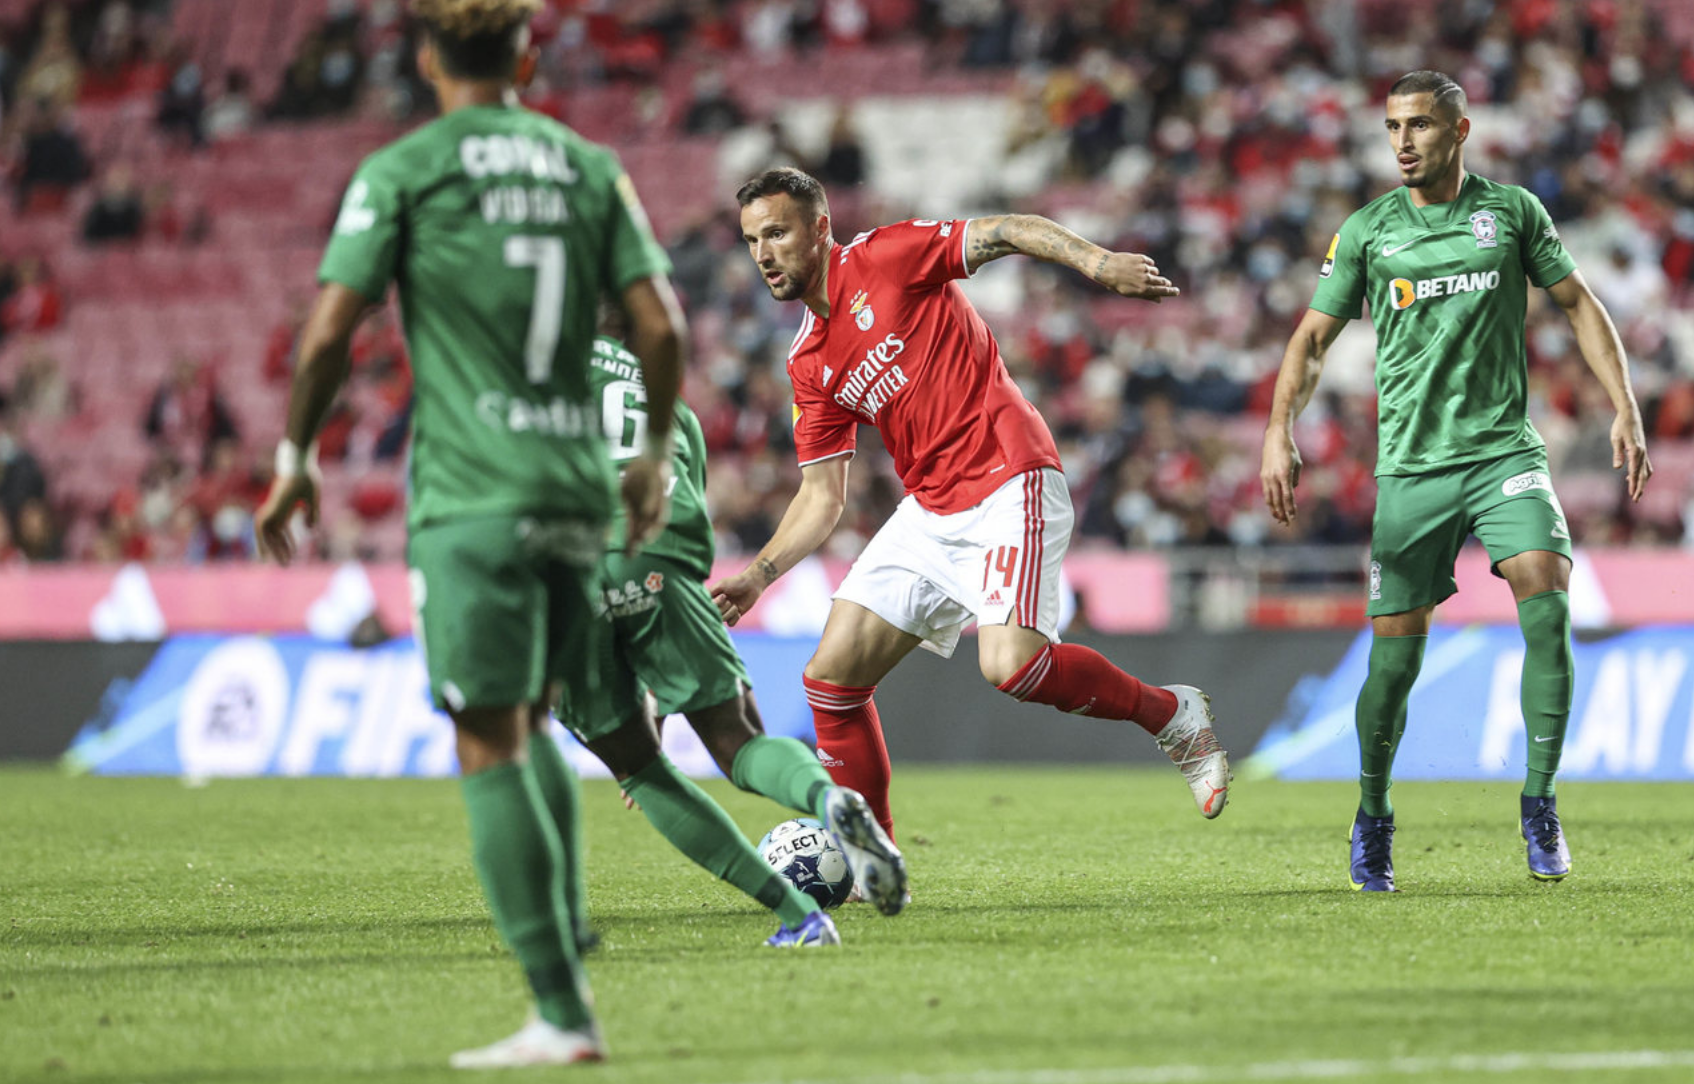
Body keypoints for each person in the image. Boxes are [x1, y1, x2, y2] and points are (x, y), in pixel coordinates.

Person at [255, 0, 680, 1067]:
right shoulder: (589, 168)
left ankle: (560, 1009)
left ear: (426, 58)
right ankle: (566, 958)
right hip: (578, 490)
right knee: (534, 720)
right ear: (528, 54)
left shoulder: (402, 170)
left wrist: (293, 460)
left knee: (488, 733)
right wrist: (650, 454)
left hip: (471, 496)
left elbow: (324, 337)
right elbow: (660, 323)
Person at [712, 167, 1233, 851]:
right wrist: (758, 575)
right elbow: (821, 495)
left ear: (818, 228)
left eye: (777, 232)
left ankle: (1172, 714)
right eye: (752, 240)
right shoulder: (809, 360)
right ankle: (875, 857)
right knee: (831, 677)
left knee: (1011, 667)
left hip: (1007, 474)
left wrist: (1097, 263)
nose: (764, 253)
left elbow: (1007, 230)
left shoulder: (888, 257)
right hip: (929, 508)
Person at [1259, 71, 1653, 893]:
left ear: (1460, 130)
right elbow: (1311, 339)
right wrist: (1278, 431)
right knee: (1393, 666)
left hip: (1505, 453)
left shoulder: (1510, 213)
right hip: (1413, 470)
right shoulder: (1368, 232)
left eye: (1421, 126)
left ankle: (1539, 803)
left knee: (1546, 590)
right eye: (1393, 126)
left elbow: (1579, 303)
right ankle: (1373, 817)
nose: (1403, 141)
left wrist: (1625, 406)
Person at [553, 330, 908, 943]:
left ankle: (798, 915)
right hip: (663, 567)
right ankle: (828, 801)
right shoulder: (671, 409)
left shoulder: (539, 380)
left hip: (569, 569)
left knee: (643, 772)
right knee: (740, 744)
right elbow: (682, 524)